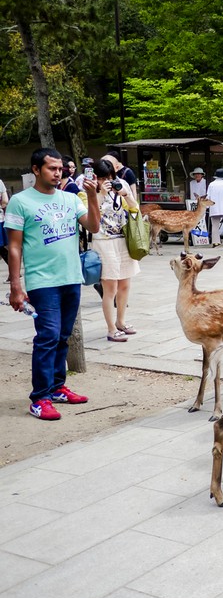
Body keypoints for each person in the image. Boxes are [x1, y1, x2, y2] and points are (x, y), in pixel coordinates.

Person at [4, 148, 101, 420]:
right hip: (42, 281)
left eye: (61, 169)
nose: (58, 173)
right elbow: (14, 247)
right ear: (36, 169)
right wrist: (15, 285)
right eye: (52, 168)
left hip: (71, 277)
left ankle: (57, 387)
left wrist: (93, 196)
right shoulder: (20, 202)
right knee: (47, 336)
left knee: (62, 336)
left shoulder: (70, 198)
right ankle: (40, 398)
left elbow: (93, 226)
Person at [92, 158, 142, 341]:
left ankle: (121, 321)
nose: (106, 181)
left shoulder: (121, 185)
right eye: (102, 178)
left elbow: (135, 209)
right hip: (103, 242)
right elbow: (89, 215)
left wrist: (125, 194)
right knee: (110, 287)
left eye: (109, 177)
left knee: (125, 284)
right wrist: (100, 194)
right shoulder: (89, 189)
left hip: (122, 239)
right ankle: (111, 329)